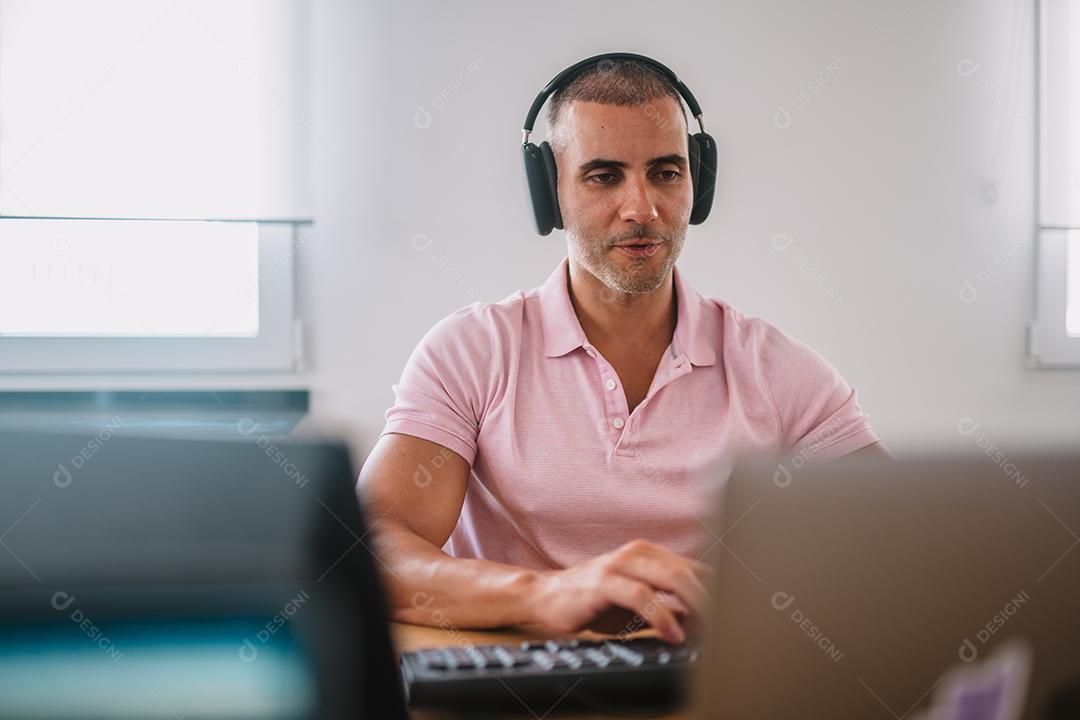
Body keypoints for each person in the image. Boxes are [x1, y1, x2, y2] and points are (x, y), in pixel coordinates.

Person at [359, 56, 887, 645]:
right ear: (549, 192)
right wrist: (545, 594)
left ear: (697, 184)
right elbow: (374, 546)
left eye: (665, 172)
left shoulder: (780, 371)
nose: (642, 208)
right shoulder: (471, 352)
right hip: (519, 687)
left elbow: (896, 546)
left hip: (706, 690)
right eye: (604, 176)